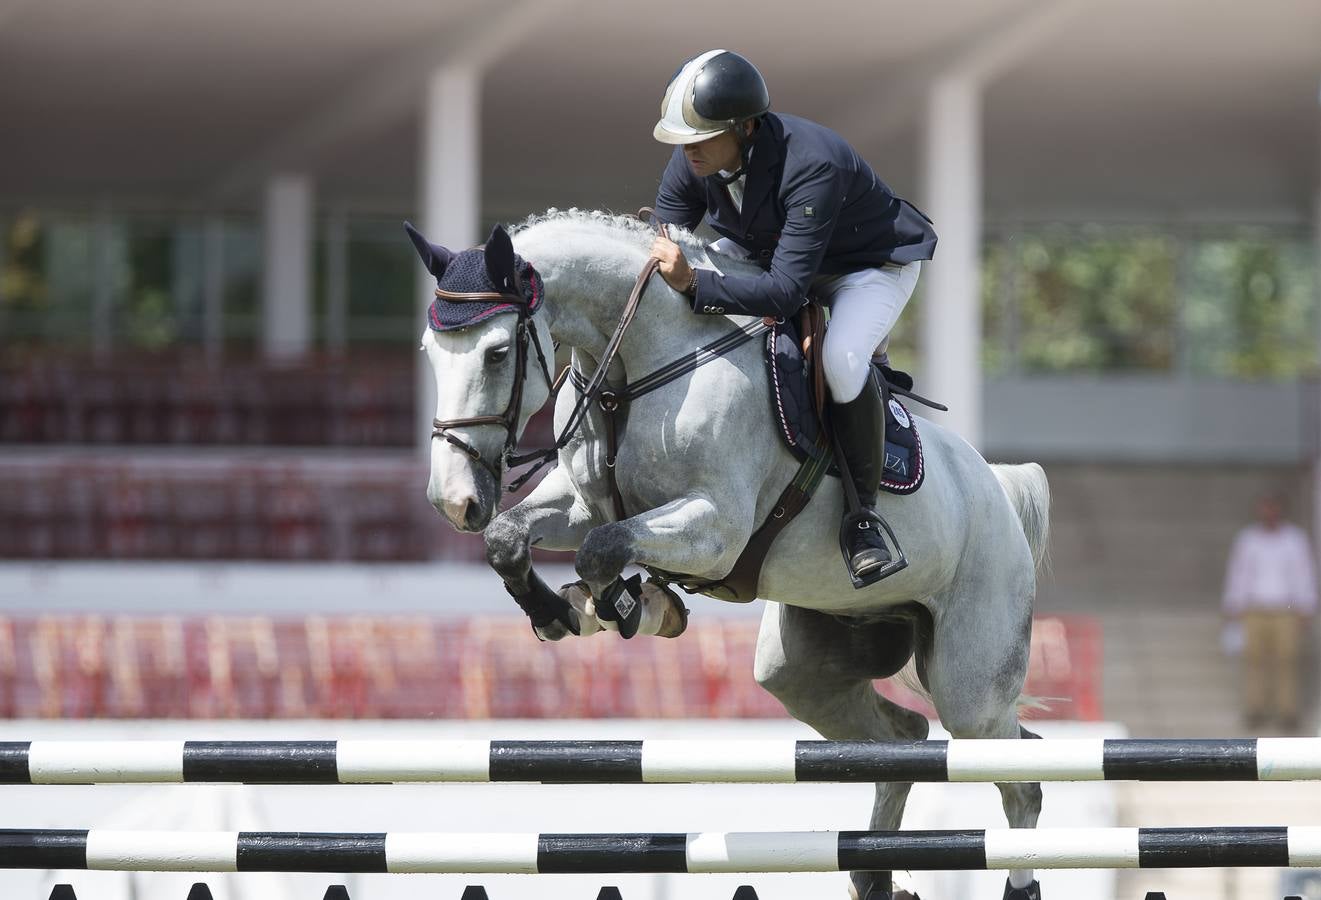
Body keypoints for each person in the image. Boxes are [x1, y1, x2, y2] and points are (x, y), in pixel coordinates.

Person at [647, 49, 938, 585]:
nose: (688, 150)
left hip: (865, 268)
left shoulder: (813, 162)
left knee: (843, 362)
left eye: (702, 137)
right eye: (684, 139)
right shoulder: (695, 158)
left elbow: (783, 293)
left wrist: (694, 283)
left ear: (746, 126)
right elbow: (664, 245)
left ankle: (863, 518)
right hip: (780, 258)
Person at [1222, 494, 1317, 731]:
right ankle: (1255, 709)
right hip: (1255, 608)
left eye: (1272, 509)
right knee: (1254, 660)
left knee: (1286, 660)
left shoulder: (1294, 540)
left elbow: (1303, 574)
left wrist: (1306, 606)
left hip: (1285, 608)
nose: (1269, 514)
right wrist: (1233, 604)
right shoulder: (1248, 540)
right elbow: (1239, 573)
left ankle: (1288, 711)